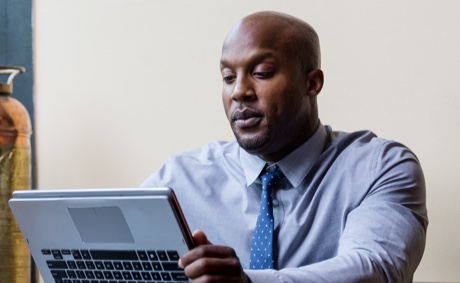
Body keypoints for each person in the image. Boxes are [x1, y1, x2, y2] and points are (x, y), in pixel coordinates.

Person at [141, 11, 428, 283]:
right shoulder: (177, 180)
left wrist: (248, 281)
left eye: (262, 73)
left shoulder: (380, 168)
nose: (239, 91)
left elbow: (375, 269)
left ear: (312, 83)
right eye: (228, 78)